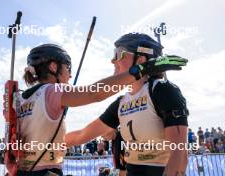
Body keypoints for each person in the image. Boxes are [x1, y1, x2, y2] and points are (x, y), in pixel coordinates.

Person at [11, 42, 186, 176]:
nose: (70, 74)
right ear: (53, 67)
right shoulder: (52, 90)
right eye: (67, 68)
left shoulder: (18, 98)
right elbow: (94, 93)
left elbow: (72, 137)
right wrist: (140, 70)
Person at [66, 33, 189, 176]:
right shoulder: (121, 102)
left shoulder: (163, 90)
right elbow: (82, 135)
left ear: (141, 59)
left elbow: (179, 155)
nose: (113, 61)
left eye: (118, 54)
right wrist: (47, 144)